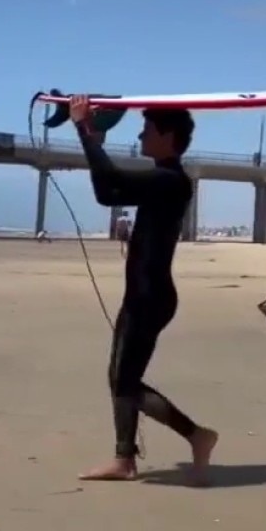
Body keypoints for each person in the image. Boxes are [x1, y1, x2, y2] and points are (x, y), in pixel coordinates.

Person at [67, 95, 218, 485]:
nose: (139, 134)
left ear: (168, 137)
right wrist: (90, 138)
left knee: (124, 380)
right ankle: (129, 456)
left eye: (147, 130)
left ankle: (189, 437)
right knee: (121, 377)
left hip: (150, 297)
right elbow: (110, 191)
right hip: (144, 294)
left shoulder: (170, 180)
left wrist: (86, 132)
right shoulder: (163, 179)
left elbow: (110, 185)